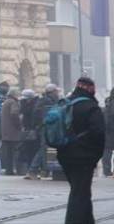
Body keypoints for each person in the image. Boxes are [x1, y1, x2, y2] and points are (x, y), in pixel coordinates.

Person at [56, 76, 104, 224]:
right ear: (90, 88)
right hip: (83, 156)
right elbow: (99, 133)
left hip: (64, 155)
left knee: (80, 190)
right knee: (79, 192)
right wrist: (96, 155)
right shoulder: (91, 107)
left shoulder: (65, 104)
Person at [33, 83, 61, 179]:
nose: (57, 93)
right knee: (44, 149)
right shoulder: (47, 101)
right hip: (46, 128)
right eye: (56, 91)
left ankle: (43, 171)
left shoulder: (46, 100)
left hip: (47, 128)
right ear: (52, 92)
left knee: (46, 149)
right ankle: (33, 170)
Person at [0, 86, 22, 176]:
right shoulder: (13, 102)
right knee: (15, 152)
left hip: (5, 131)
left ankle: (9, 170)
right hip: (13, 131)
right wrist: (19, 125)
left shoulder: (6, 102)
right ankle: (16, 169)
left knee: (8, 153)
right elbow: (14, 114)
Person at [19, 89, 41, 179]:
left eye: (26, 99)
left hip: (34, 130)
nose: (25, 100)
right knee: (27, 151)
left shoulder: (36, 104)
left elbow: (34, 116)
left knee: (34, 150)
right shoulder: (24, 104)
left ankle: (35, 171)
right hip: (27, 130)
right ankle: (29, 170)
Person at [103, 88, 114, 177]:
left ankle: (106, 170)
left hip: (108, 130)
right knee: (108, 150)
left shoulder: (108, 102)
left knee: (107, 151)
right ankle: (107, 170)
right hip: (111, 130)